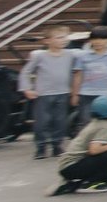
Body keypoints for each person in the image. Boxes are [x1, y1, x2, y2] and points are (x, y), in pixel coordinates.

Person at [18, 24, 79, 159]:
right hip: (43, 94)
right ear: (47, 40)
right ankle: (41, 147)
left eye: (65, 37)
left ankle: (57, 145)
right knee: (42, 122)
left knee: (60, 121)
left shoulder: (71, 54)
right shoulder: (39, 56)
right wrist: (27, 88)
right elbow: (26, 72)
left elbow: (87, 53)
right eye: (58, 38)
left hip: (62, 93)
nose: (63, 40)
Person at [49, 95, 107, 195]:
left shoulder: (98, 122)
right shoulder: (105, 126)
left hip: (71, 167)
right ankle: (87, 183)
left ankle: (72, 183)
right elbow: (94, 150)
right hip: (72, 167)